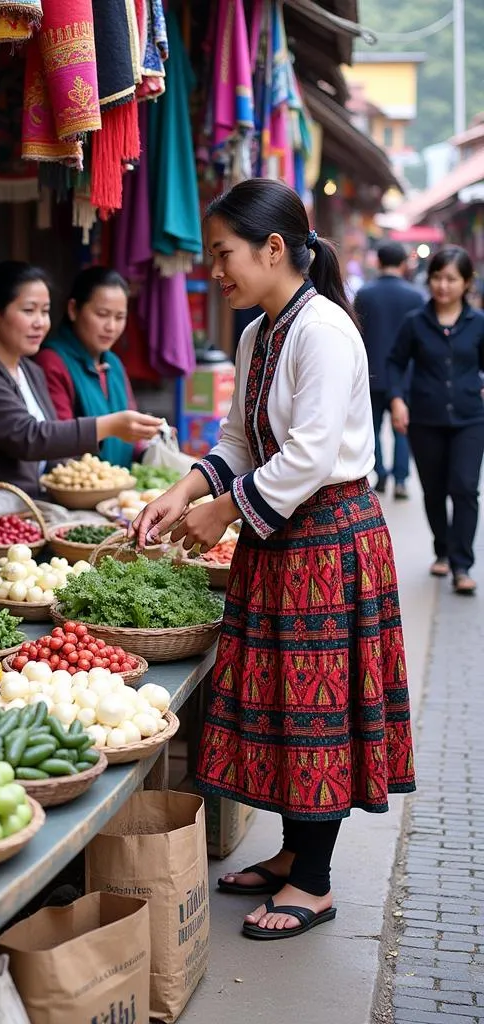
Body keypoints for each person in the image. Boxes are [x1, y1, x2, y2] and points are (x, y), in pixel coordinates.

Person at [131, 178, 415, 941]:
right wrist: (180, 490)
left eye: (223, 254)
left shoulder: (322, 330)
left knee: (316, 709)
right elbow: (236, 443)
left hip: (327, 541)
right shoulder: (263, 332)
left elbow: (312, 454)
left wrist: (221, 512)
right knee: (291, 704)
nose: (214, 271)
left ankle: (316, 885)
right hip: (280, 539)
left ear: (274, 248)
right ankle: (294, 854)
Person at [0, 261, 164, 501]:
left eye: (45, 311)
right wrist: (108, 426)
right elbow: (30, 437)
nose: (40, 322)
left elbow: (54, 449)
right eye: (29, 310)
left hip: (33, 504)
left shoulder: (30, 371)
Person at [389, 245, 484, 595]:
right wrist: (398, 399)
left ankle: (462, 565)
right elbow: (395, 362)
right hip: (425, 419)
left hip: (471, 418)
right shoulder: (416, 322)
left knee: (464, 487)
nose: (443, 286)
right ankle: (442, 550)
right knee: (433, 490)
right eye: (437, 278)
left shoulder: (478, 323)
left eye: (451, 279)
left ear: (466, 283)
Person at [34, 267, 146, 468]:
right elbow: (58, 440)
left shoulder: (113, 363)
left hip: (121, 486)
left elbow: (132, 431)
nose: (111, 326)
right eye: (102, 314)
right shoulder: (51, 362)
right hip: (79, 488)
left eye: (119, 317)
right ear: (73, 309)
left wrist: (149, 441)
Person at [354, 241, 422, 499]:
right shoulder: (415, 296)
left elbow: (357, 332)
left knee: (372, 428)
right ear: (404, 264)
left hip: (371, 373)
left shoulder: (365, 294)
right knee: (402, 427)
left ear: (378, 262)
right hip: (404, 375)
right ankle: (402, 480)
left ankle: (380, 474)